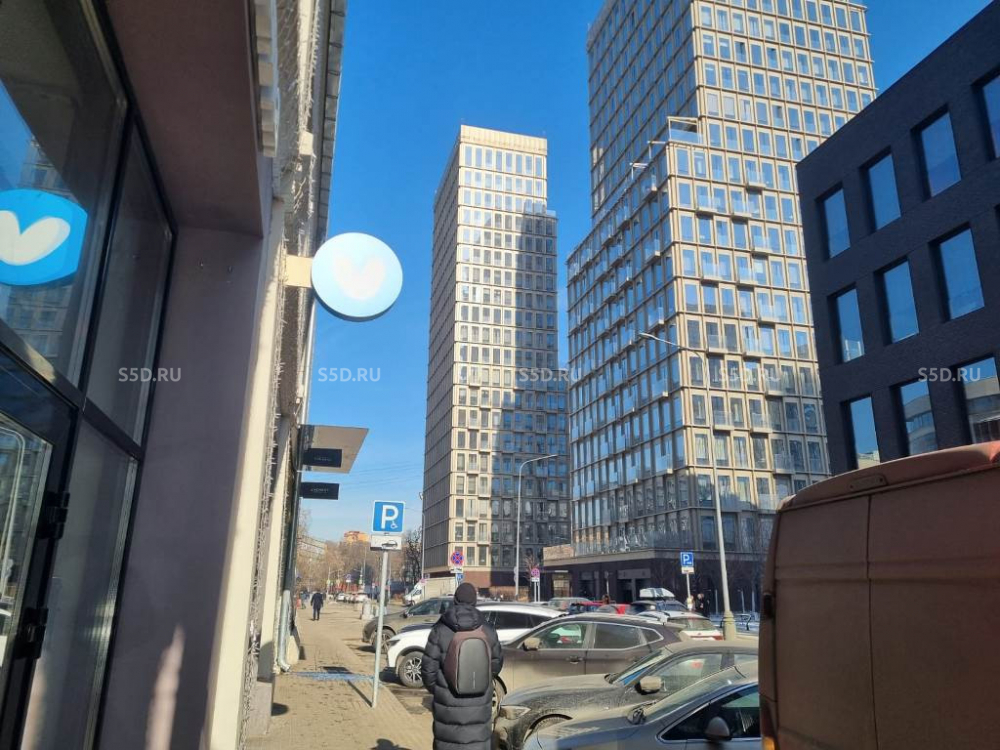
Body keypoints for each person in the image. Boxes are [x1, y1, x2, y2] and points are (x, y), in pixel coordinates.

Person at [421, 583, 503, 750]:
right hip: (479, 706)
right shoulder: (488, 630)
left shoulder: (440, 630)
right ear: (475, 601)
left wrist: (441, 689)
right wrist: (479, 680)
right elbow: (496, 665)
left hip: (447, 707)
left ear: (455, 600)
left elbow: (428, 671)